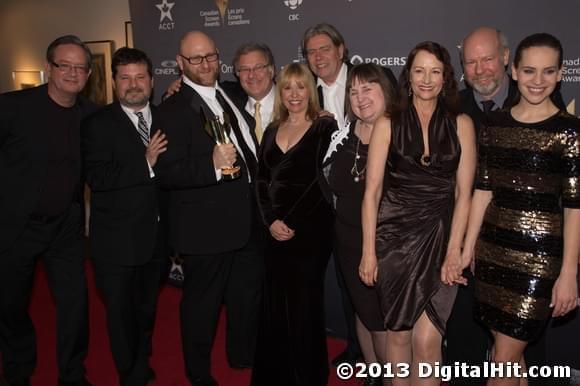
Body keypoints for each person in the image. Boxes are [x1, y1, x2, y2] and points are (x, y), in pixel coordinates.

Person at [445, 27, 567, 385]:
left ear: (505, 59)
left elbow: (568, 201)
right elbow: (474, 190)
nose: (480, 68)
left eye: (487, 58)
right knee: (494, 352)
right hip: (484, 248)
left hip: (535, 254)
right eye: (471, 61)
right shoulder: (455, 110)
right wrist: (463, 248)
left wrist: (568, 269)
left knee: (509, 354)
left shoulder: (549, 111)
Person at [361, 41, 476, 385]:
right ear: (408, 76)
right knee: (398, 335)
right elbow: (372, 193)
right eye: (419, 70)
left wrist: (455, 250)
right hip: (394, 239)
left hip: (442, 240)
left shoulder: (462, 124)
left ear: (446, 78)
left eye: (435, 71)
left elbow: (463, 194)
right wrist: (369, 251)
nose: (427, 79)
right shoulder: (388, 123)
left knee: (428, 341)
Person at [155, 30, 263, 386]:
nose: (205, 64)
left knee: (244, 299)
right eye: (196, 59)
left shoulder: (230, 93)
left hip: (247, 221)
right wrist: (211, 164)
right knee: (201, 307)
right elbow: (166, 172)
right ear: (181, 63)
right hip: (206, 230)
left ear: (219, 57)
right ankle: (198, 373)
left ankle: (241, 354)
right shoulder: (171, 109)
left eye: (211, 57)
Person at [0, 35, 95, 386]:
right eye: (64, 65)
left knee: (75, 304)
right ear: (48, 68)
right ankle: (18, 368)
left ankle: (72, 373)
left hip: (65, 227)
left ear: (88, 74)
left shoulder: (91, 116)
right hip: (15, 226)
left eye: (80, 67)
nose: (72, 73)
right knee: (10, 306)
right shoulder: (12, 107)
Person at [81, 47, 168, 386]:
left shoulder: (166, 117)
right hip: (115, 244)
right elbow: (97, 178)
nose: (134, 85)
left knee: (146, 310)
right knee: (120, 314)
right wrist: (144, 162)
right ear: (114, 82)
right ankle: (130, 375)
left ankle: (141, 360)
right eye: (126, 78)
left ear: (152, 80)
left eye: (140, 77)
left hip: (157, 241)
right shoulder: (96, 124)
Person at [250, 63, 337, 386]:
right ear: (281, 93)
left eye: (301, 87)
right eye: (288, 88)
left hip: (310, 232)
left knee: (304, 303)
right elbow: (260, 179)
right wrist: (271, 220)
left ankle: (307, 375)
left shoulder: (324, 127)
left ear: (310, 91)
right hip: (274, 231)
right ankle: (277, 373)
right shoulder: (272, 129)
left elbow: (322, 183)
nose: (295, 94)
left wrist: (290, 221)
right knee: (274, 302)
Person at [323, 63, 396, 386]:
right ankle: (373, 375)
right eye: (353, 91)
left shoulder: (400, 134)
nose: (359, 97)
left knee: (381, 322)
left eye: (367, 88)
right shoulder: (344, 135)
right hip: (348, 242)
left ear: (386, 91)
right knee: (362, 315)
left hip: (385, 246)